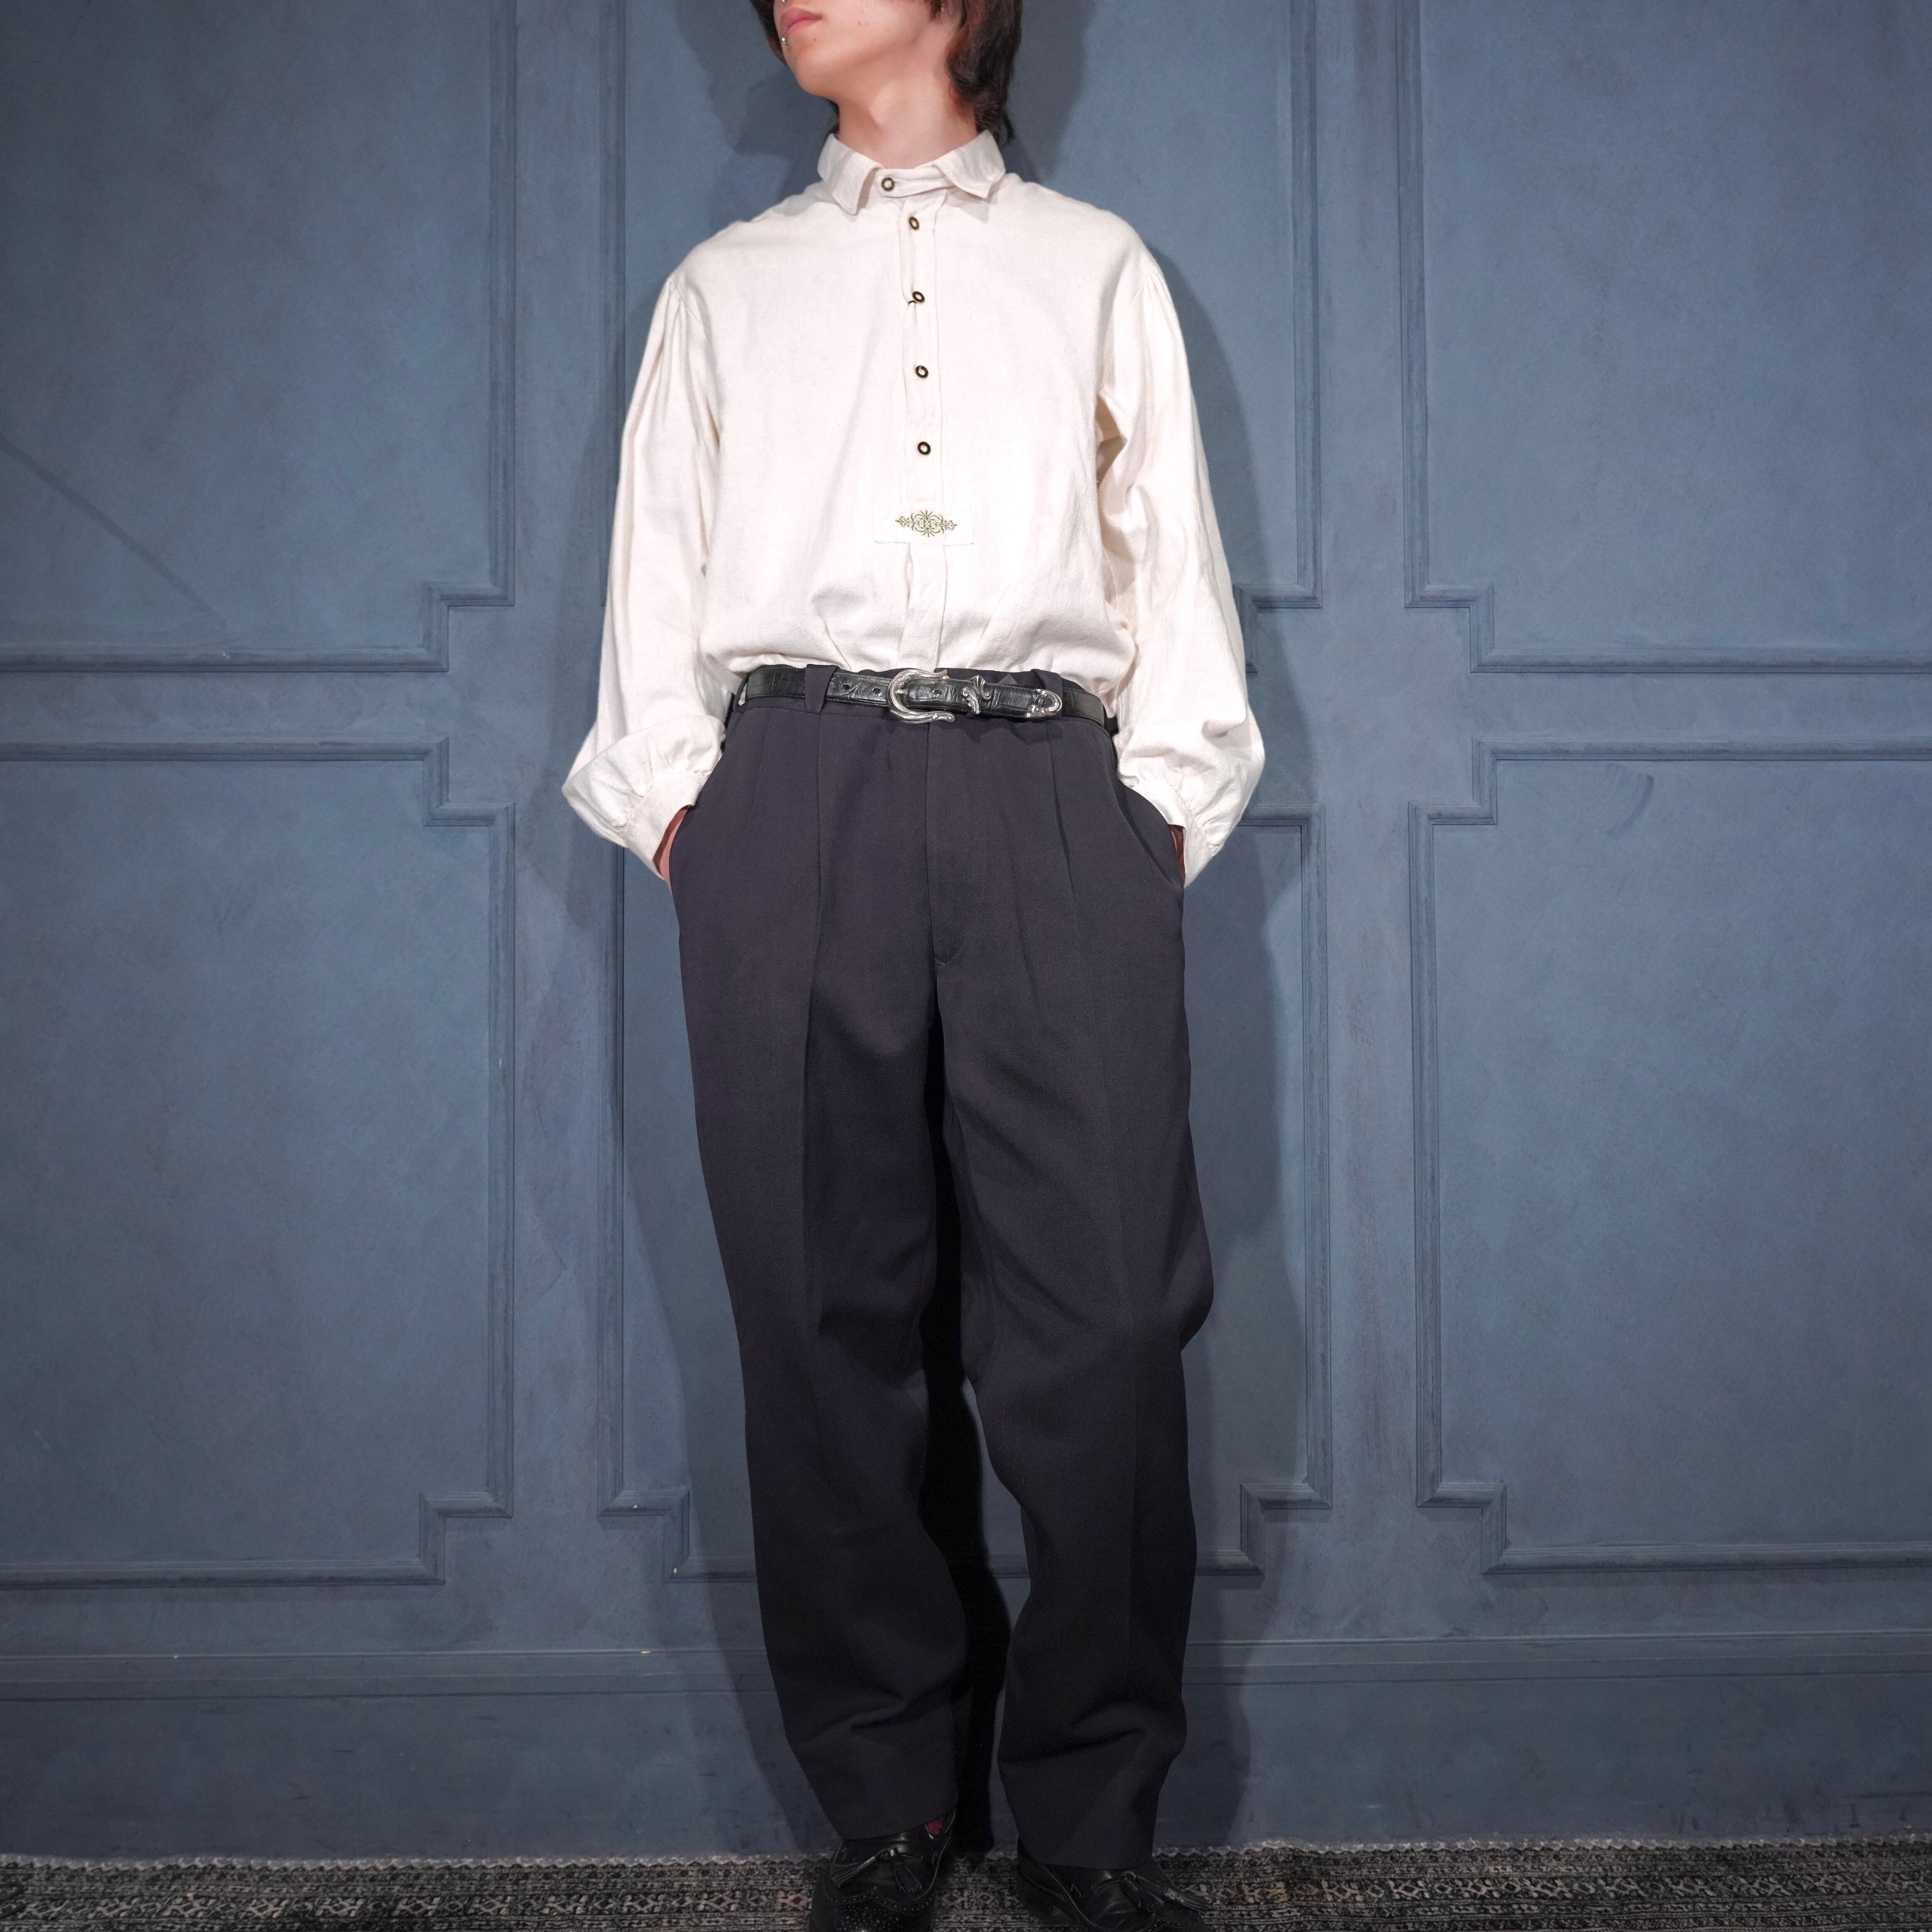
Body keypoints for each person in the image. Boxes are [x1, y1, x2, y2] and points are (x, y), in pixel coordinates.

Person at [563, 2, 1262, 1925]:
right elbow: (653, 579)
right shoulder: (724, 290)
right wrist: (700, 820)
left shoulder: (1093, 267)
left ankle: (1091, 1812)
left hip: (1052, 791)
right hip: (791, 794)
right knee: (821, 1316)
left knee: (1102, 1323)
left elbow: (1169, 567)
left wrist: (1143, 821)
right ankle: (889, 1799)